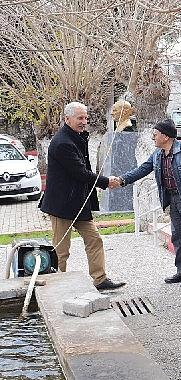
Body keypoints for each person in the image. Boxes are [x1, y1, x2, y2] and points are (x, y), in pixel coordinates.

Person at [111, 119, 181, 289]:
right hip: (171, 199)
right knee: (177, 236)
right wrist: (122, 180)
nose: (153, 138)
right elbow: (142, 169)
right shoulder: (157, 155)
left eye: (155, 135)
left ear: (165, 136)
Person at [39, 102, 126, 291]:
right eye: (80, 118)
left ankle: (100, 279)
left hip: (78, 203)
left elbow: (83, 172)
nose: (84, 122)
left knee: (94, 239)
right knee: (61, 250)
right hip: (62, 206)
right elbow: (81, 173)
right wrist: (106, 181)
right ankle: (56, 285)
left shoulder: (76, 137)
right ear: (67, 119)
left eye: (86, 118)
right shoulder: (62, 142)